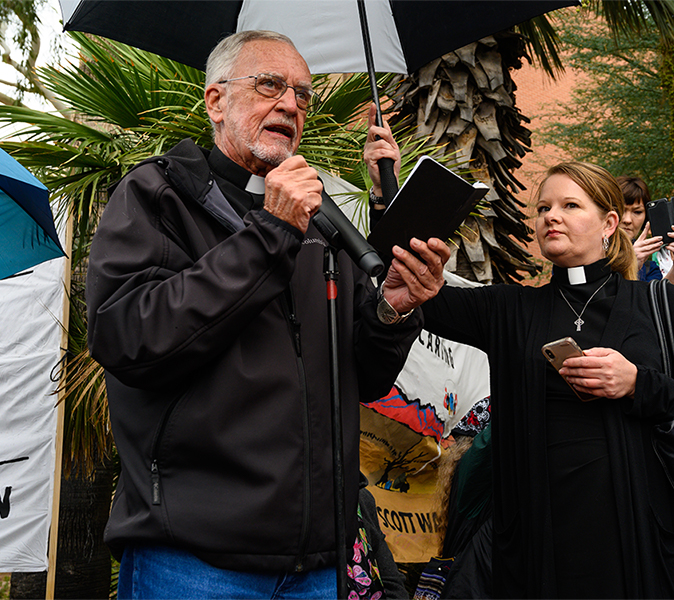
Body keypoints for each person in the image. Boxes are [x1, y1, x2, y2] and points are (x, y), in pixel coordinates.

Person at [86, 31, 448, 599]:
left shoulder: (324, 220)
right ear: (215, 101)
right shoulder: (157, 196)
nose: (290, 105)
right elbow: (131, 337)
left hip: (318, 565)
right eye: (269, 85)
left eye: (303, 95)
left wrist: (392, 310)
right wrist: (270, 236)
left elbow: (363, 377)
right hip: (193, 558)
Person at [363, 144, 674, 595]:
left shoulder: (663, 306)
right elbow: (415, 284)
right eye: (543, 207)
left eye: (569, 205)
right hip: (537, 552)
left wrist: (638, 384)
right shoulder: (510, 309)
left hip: (644, 547)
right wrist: (387, 191)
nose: (550, 217)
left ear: (609, 224)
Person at [615, 176, 674, 284]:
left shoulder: (649, 268)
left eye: (637, 212)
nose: (627, 220)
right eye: (622, 210)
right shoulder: (591, 255)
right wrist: (629, 266)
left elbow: (660, 299)